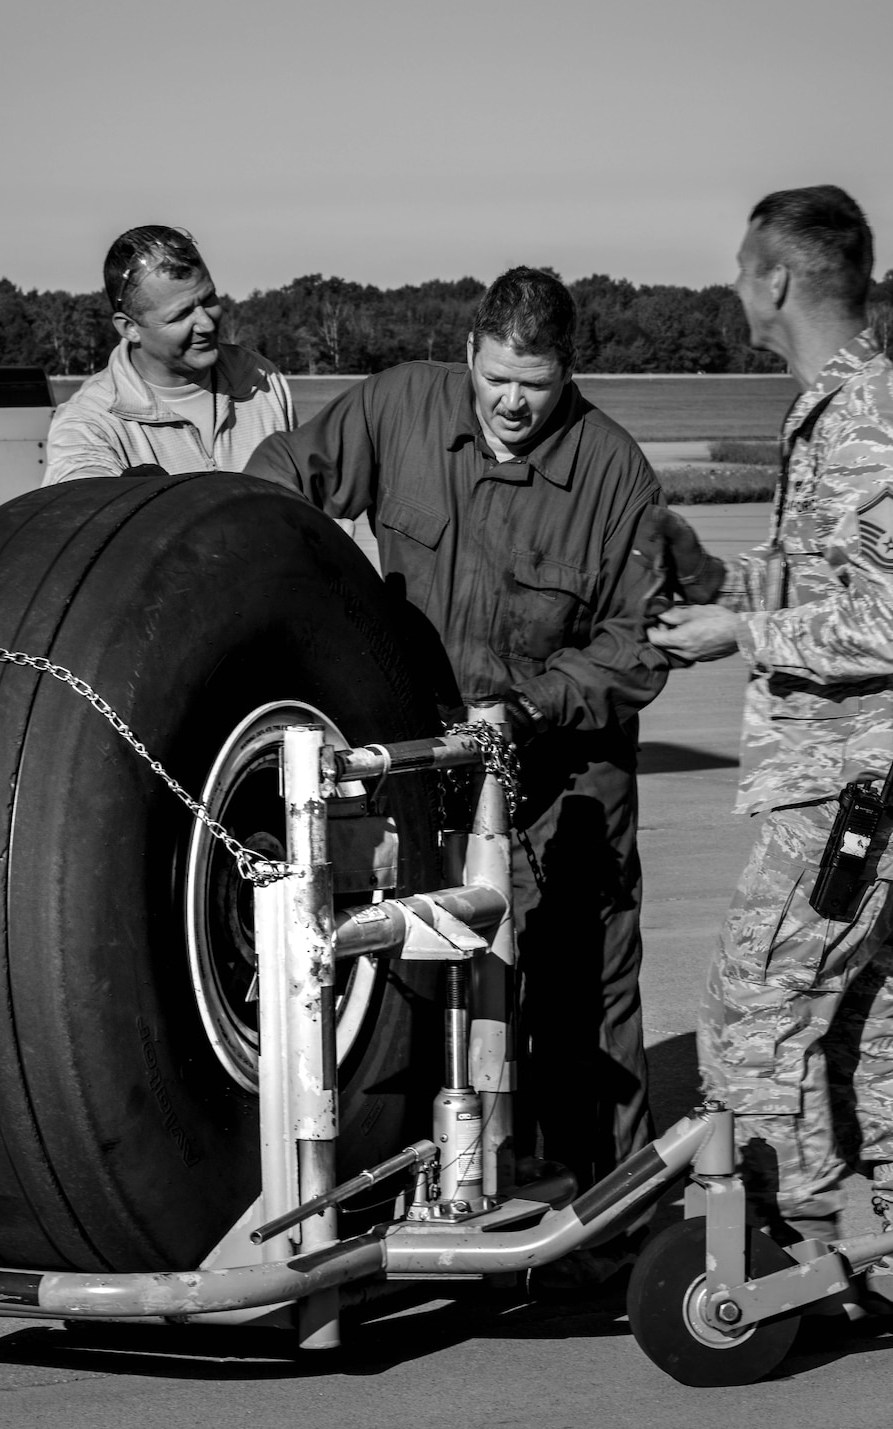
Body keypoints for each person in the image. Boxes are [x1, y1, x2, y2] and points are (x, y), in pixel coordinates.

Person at [245, 268, 670, 1281]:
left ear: (569, 370)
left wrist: (528, 709)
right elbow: (282, 472)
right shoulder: (398, 404)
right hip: (418, 757)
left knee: (578, 995)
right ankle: (412, 1185)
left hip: (559, 765)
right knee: (404, 981)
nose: (514, 403)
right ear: (468, 349)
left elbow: (637, 644)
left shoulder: (613, 471)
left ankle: (609, 1227)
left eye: (538, 382)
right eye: (497, 378)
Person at [649, 186, 893, 1334]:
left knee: (755, 1003)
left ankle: (784, 1250)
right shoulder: (832, 415)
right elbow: (825, 588)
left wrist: (743, 634)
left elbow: (892, 621)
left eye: (739, 269)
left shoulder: (870, 430)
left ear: (777, 279)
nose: (732, 289)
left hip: (861, 778)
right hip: (865, 772)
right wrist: (717, 589)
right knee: (866, 1009)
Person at [44, 225, 294, 483]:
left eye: (209, 300)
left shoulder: (259, 377)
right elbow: (81, 513)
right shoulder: (89, 424)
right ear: (129, 328)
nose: (206, 324)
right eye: (181, 315)